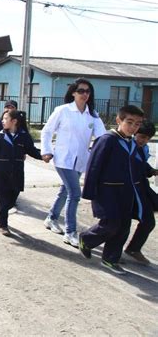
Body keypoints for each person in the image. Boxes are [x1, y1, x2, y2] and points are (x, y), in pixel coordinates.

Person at [79, 105, 145, 274]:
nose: (133, 127)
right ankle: (86, 238)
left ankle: (110, 259)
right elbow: (94, 166)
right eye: (129, 122)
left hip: (126, 192)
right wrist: (89, 192)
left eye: (137, 124)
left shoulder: (131, 142)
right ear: (118, 120)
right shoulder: (107, 140)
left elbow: (136, 166)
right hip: (106, 191)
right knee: (111, 224)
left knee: (123, 226)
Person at [41, 78, 106, 248]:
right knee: (75, 194)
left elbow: (102, 137)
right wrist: (46, 150)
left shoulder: (92, 114)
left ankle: (51, 218)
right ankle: (70, 232)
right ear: (73, 93)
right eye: (81, 91)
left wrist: (97, 151)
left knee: (65, 191)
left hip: (81, 160)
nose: (85, 94)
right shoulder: (63, 110)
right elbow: (47, 131)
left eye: (87, 91)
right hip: (63, 159)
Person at [0, 110, 46, 236]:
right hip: (1, 172)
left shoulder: (23, 136)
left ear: (14, 121)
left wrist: (42, 156)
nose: (2, 121)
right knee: (2, 197)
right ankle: (2, 225)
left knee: (12, 198)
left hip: (16, 172)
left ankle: (1, 210)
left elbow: (31, 150)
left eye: (5, 118)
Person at [123, 120, 157, 265]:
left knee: (148, 219)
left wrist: (151, 171)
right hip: (130, 188)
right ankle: (89, 240)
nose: (144, 140)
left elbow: (143, 165)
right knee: (119, 223)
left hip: (142, 187)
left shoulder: (144, 148)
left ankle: (133, 248)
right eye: (142, 136)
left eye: (147, 138)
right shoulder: (128, 147)